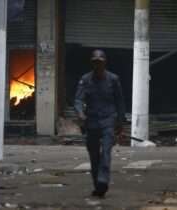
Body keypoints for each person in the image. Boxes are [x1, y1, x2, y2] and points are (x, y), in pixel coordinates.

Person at [74, 49, 125, 198]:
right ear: (92, 63)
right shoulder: (85, 79)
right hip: (91, 122)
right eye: (95, 63)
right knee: (94, 155)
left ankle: (103, 179)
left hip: (108, 120)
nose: (98, 65)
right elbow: (78, 99)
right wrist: (80, 113)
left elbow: (120, 101)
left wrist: (120, 122)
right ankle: (98, 185)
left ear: (105, 63)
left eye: (100, 63)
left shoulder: (113, 79)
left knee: (106, 152)